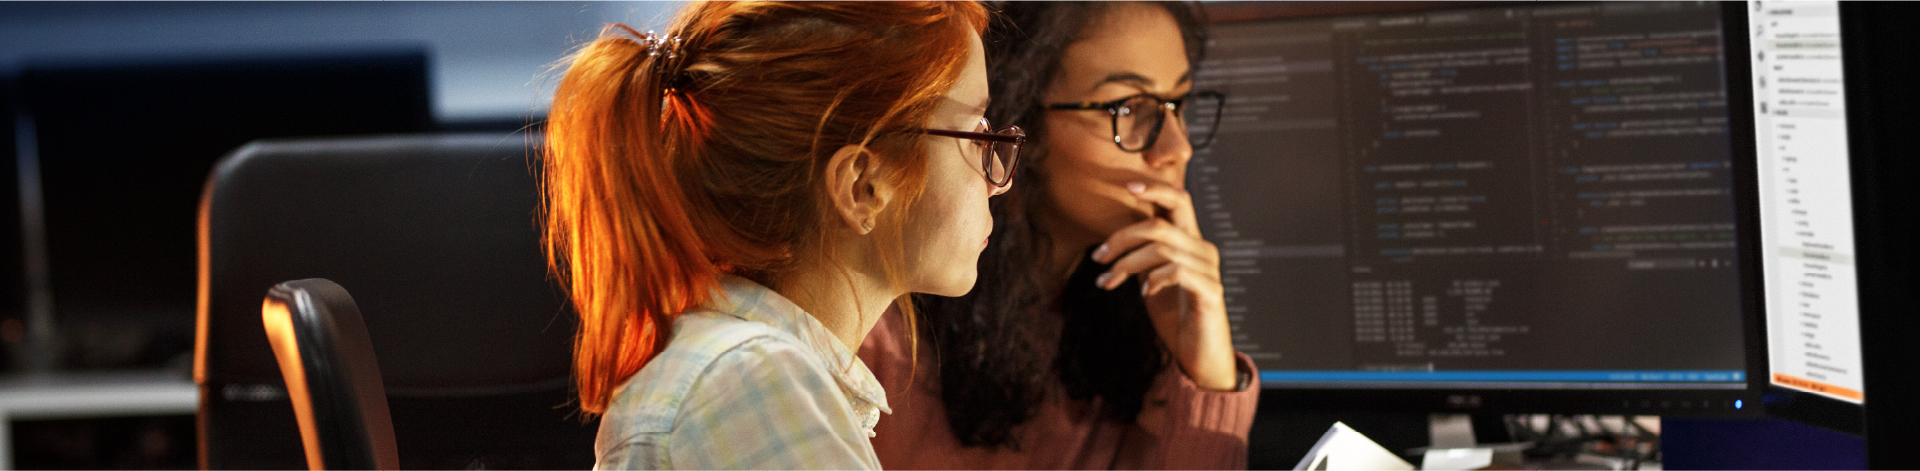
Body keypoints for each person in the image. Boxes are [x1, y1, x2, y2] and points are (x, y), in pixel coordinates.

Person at [541, 2, 1010, 468]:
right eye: (976, 136)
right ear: (862, 186)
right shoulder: (751, 379)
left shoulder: (737, 366)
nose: (999, 181)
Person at [859, 2, 1257, 469]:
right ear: (1019, 122)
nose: (1177, 148)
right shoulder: (879, 326)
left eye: (1178, 104)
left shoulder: (1147, 323)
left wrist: (1207, 375)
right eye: (1128, 108)